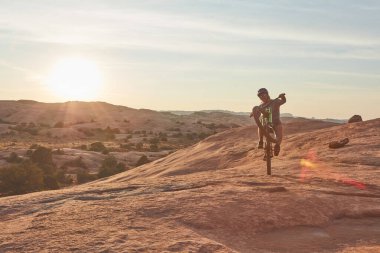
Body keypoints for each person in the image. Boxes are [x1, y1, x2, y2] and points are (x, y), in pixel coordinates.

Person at [250, 88, 286, 156]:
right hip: (266, 123)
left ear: (267, 94)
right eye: (260, 96)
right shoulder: (261, 105)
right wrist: (253, 113)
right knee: (260, 125)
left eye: (263, 95)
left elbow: (283, 101)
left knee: (279, 133)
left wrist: (282, 97)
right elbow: (256, 112)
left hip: (276, 122)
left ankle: (277, 146)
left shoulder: (275, 101)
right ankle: (260, 141)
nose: (261, 97)